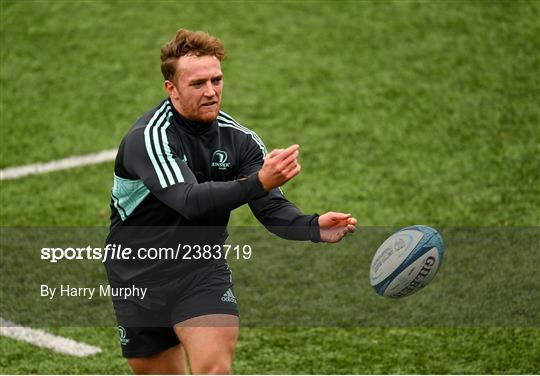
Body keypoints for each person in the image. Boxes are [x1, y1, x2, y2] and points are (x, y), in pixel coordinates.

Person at [104, 28, 357, 374]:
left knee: (215, 370)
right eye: (198, 84)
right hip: (137, 275)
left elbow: (270, 208)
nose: (211, 91)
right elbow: (188, 200)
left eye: (217, 80)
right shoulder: (148, 139)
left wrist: (311, 226)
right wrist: (258, 181)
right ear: (171, 89)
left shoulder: (241, 141)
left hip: (200, 270)